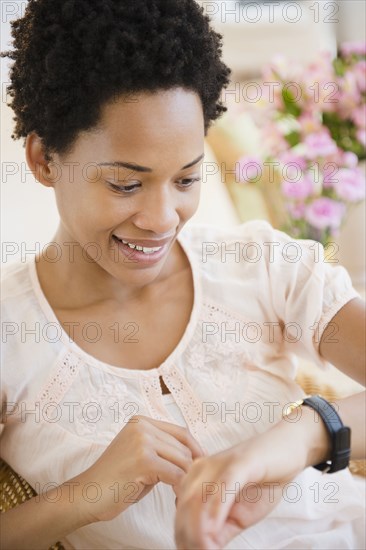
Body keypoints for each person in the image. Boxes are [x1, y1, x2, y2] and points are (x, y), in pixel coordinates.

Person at [0, 1, 365, 549]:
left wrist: (304, 434)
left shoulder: (262, 268)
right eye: (126, 184)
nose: (162, 219)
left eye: (187, 179)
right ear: (45, 160)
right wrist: (86, 494)